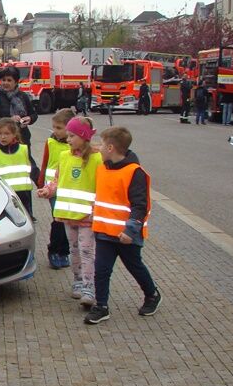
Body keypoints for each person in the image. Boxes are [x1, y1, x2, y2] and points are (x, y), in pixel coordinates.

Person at [83, 126, 161, 324]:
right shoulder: (102, 168)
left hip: (126, 235)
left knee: (135, 266)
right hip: (104, 232)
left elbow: (140, 206)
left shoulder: (135, 172)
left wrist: (130, 231)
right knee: (101, 270)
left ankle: (152, 294)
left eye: (102, 145)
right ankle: (101, 306)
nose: (99, 148)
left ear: (110, 148)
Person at [37, 117, 103, 306]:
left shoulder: (97, 159)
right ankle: (78, 281)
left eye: (72, 136)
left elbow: (103, 185)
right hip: (68, 215)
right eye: (68, 135)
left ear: (84, 136)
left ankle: (89, 287)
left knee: (87, 251)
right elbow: (58, 180)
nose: (68, 139)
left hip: (88, 216)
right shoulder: (65, 156)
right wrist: (48, 190)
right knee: (74, 251)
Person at [37, 108, 75, 270]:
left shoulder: (75, 144)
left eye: (59, 128)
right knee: (58, 219)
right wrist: (41, 182)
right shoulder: (50, 142)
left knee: (68, 220)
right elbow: (45, 162)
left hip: (69, 188)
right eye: (54, 127)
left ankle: (64, 251)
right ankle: (54, 250)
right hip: (52, 188)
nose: (55, 131)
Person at [0, 66, 38, 151]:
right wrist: (9, 120)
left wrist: (30, 118)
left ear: (16, 82)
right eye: (3, 80)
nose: (5, 83)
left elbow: (33, 114)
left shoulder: (23, 96)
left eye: (9, 80)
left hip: (21, 140)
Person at [0, 118, 34, 218]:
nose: (3, 137)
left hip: (23, 194)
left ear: (14, 134)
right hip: (5, 194)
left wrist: (41, 184)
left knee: (26, 219)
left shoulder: (23, 149)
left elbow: (33, 168)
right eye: (0, 134)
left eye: (6, 133)